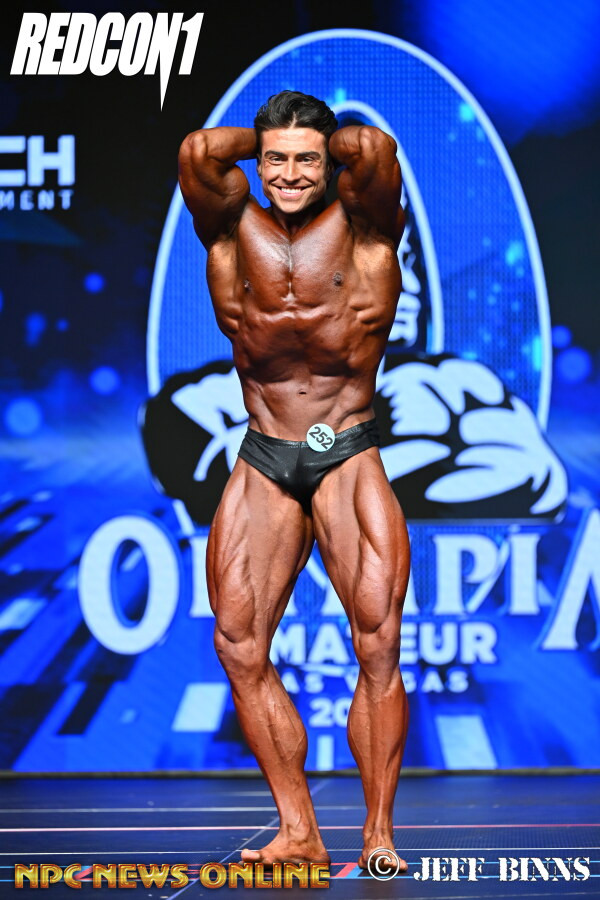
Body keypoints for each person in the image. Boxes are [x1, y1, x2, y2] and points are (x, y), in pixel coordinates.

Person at [178, 90, 410, 871]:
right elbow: (198, 150)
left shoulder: (367, 225)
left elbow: (372, 150)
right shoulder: (227, 226)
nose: (288, 174)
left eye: (306, 160)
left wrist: (319, 141)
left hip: (344, 449)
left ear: (327, 160)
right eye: (274, 160)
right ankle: (299, 832)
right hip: (266, 453)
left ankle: (377, 837)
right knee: (238, 644)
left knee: (377, 644)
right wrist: (272, 139)